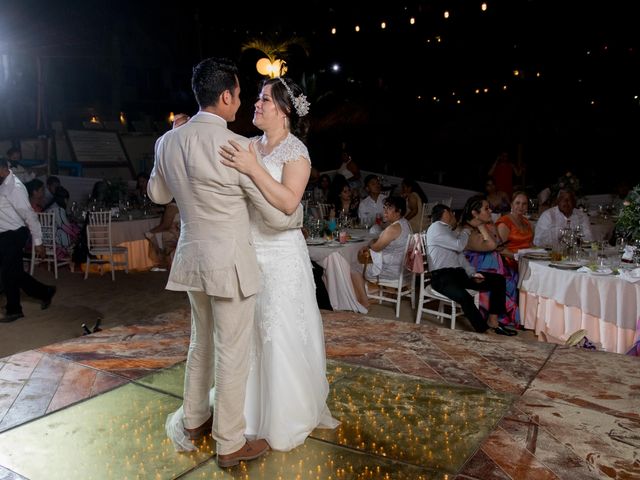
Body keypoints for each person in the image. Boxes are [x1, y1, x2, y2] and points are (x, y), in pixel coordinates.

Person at [148, 57, 304, 468]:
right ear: (225, 96)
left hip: (191, 262)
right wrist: (295, 217)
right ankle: (230, 443)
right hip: (230, 265)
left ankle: (196, 419)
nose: (243, 102)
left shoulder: (169, 140)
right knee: (232, 351)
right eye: (239, 94)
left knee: (201, 343)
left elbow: (159, 195)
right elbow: (273, 213)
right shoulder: (235, 147)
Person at [218, 75, 339, 451]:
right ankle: (246, 413)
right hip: (249, 251)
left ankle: (286, 414)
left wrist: (253, 169)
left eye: (265, 99)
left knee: (279, 333)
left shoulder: (296, 153)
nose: (256, 104)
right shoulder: (249, 144)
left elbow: (289, 203)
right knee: (250, 334)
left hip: (283, 257)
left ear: (285, 111)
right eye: (257, 98)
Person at [425, 203, 516, 336]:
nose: (454, 215)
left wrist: (472, 272)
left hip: (458, 274)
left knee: (498, 280)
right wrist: (467, 230)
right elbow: (459, 246)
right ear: (445, 212)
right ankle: (483, 330)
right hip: (442, 277)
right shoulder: (436, 227)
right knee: (465, 297)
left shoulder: (449, 231)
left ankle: (493, 321)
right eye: (452, 212)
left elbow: (460, 256)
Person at [0, 158, 56, 323]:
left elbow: (30, 216)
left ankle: (14, 310)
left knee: (8, 274)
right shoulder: (3, 184)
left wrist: (38, 242)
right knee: (15, 272)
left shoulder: (15, 189)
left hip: (14, 234)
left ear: (2, 169)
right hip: (4, 234)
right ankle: (45, 292)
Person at [460, 195, 520, 328]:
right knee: (505, 281)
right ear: (475, 213)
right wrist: (481, 225)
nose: (490, 211)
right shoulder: (469, 233)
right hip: (475, 272)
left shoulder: (481, 227)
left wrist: (490, 226)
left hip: (488, 269)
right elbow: (492, 245)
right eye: (486, 209)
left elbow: (497, 242)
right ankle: (495, 318)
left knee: (514, 276)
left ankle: (499, 316)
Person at [352, 196, 412, 309]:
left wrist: (369, 244)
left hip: (392, 272)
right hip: (404, 270)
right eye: (384, 208)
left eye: (388, 209)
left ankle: (363, 301)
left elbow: (376, 248)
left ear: (398, 211)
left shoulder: (393, 229)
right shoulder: (405, 223)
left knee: (353, 267)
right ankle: (374, 292)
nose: (384, 212)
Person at [495, 191, 534, 269]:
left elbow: (530, 244)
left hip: (528, 262)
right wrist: (518, 258)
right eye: (517, 203)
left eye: (524, 204)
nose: (521, 206)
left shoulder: (527, 223)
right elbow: (500, 250)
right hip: (511, 264)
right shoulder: (504, 223)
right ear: (511, 205)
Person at [44, 186, 81, 261]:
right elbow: (65, 226)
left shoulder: (50, 207)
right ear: (65, 199)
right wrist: (77, 234)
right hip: (52, 240)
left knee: (72, 230)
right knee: (74, 233)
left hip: (45, 238)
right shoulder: (58, 209)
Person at [144, 200, 180, 271]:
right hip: (178, 233)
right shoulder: (179, 204)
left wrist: (150, 232)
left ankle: (167, 265)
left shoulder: (172, 207)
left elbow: (165, 225)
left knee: (152, 236)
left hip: (173, 234)